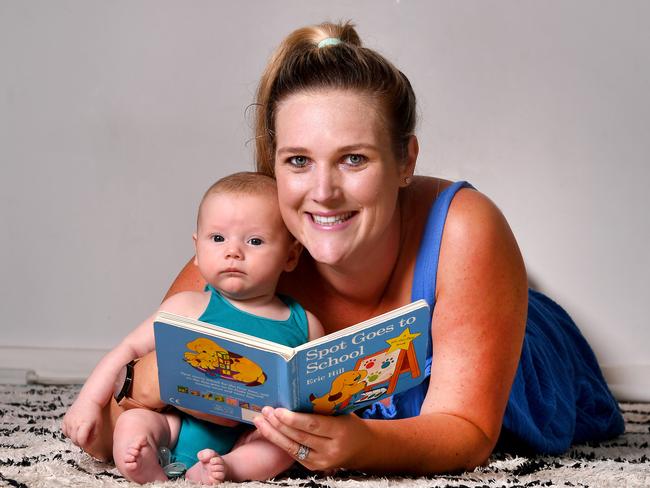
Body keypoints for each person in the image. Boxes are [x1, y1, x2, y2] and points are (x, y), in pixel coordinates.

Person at [66, 21, 624, 475]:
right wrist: (142, 389)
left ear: (406, 160)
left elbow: (469, 433)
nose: (323, 192)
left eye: (354, 159)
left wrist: (361, 448)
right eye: (298, 161)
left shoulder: (467, 227)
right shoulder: (252, 249)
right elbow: (134, 392)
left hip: (497, 326)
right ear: (273, 165)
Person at [62, 172, 324, 484]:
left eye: (254, 241)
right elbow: (129, 349)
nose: (233, 251)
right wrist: (88, 402)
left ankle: (227, 468)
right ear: (197, 250)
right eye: (218, 238)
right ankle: (145, 464)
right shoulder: (187, 306)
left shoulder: (303, 323)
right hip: (176, 426)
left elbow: (316, 393)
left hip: (248, 436)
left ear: (290, 255)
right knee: (133, 423)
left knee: (281, 450)